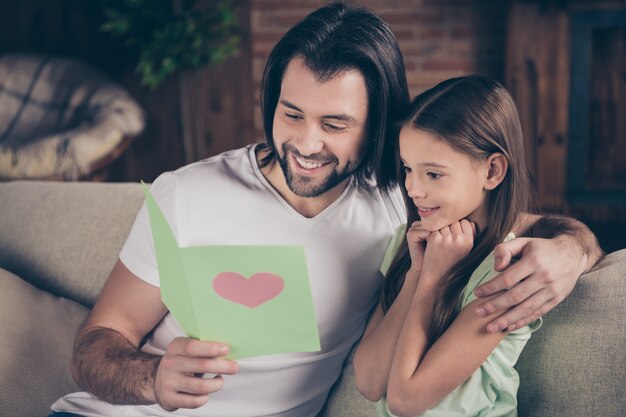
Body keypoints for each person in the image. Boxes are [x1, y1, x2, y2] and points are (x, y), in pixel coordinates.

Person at [49, 4, 601, 417]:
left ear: (377, 125)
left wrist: (572, 250)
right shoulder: (185, 193)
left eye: (334, 125)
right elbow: (96, 346)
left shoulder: (401, 198)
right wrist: (151, 377)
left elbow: (519, 222)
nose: (305, 144)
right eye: (291, 115)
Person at [353, 74, 599, 417]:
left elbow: (405, 399)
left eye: (433, 174)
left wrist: (433, 279)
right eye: (408, 168)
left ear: (492, 171)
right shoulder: (408, 242)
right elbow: (368, 380)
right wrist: (418, 271)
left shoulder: (508, 266)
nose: (413, 188)